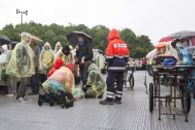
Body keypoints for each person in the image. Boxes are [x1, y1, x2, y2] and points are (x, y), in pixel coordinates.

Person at [99, 29, 129, 105]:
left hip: (113, 67)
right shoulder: (123, 43)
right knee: (120, 82)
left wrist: (107, 64)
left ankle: (109, 99)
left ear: (110, 36)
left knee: (110, 82)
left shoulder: (111, 43)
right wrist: (123, 63)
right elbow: (126, 57)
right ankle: (118, 99)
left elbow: (109, 57)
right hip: (122, 67)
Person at [6, 32, 35, 102]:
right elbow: (18, 57)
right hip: (22, 67)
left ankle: (22, 96)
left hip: (26, 67)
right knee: (24, 82)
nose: (29, 39)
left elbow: (30, 56)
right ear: (24, 37)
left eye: (29, 37)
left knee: (25, 82)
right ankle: (19, 97)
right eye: (27, 37)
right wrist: (19, 67)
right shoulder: (20, 45)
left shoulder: (26, 46)